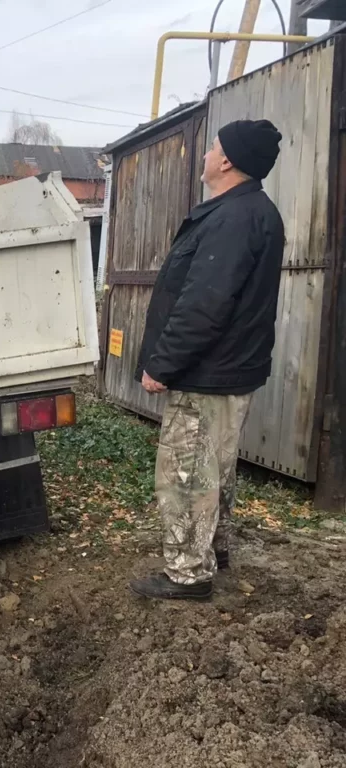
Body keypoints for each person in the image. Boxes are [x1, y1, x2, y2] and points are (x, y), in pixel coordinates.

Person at [129, 119, 285, 601]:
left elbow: (205, 305)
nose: (203, 156)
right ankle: (213, 548)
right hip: (224, 372)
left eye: (210, 148)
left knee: (187, 473)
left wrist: (163, 364)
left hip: (208, 375)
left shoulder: (233, 218)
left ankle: (188, 572)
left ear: (227, 161)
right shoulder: (246, 212)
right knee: (214, 467)